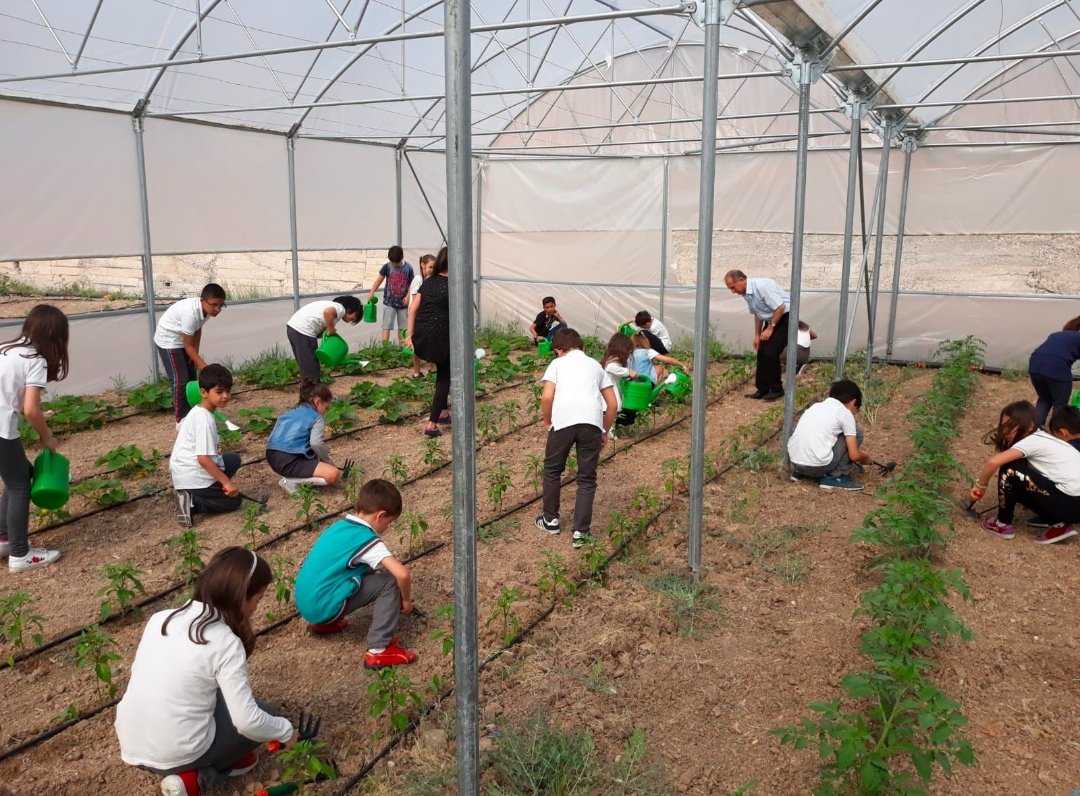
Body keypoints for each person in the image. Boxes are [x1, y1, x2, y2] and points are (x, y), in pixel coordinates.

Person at [115, 547, 296, 796]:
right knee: (265, 715)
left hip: (132, 743)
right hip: (175, 752)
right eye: (258, 598)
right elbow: (248, 721)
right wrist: (287, 732)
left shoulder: (161, 618)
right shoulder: (223, 641)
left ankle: (230, 758)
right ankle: (200, 776)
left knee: (214, 695)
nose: (256, 607)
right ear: (242, 595)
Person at [294, 478, 417, 670]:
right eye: (390, 522)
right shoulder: (366, 539)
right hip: (323, 607)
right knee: (389, 581)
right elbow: (403, 574)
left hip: (307, 604)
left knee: (366, 569)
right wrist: (407, 602)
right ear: (381, 515)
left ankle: (325, 624)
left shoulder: (339, 527)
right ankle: (379, 649)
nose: (388, 528)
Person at [534, 328, 617, 549]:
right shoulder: (595, 365)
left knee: (552, 470)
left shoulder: (558, 364)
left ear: (559, 350)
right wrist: (604, 431)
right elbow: (613, 404)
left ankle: (550, 520)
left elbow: (547, 396)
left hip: (563, 421)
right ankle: (581, 532)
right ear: (581, 346)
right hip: (591, 422)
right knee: (586, 478)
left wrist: (547, 421)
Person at [0, 304, 68, 570]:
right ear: (54, 334)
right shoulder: (35, 359)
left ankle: (4, 537)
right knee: (20, 486)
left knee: (18, 477)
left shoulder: (7, 348)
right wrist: (48, 438)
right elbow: (31, 409)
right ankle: (20, 554)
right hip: (1, 428)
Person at [974, 400, 1080, 544]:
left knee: (1009, 470)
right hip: (1073, 504)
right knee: (1021, 480)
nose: (1006, 431)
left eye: (1011, 426)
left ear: (1030, 426)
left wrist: (979, 487)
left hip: (1070, 503)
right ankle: (1059, 526)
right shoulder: (1045, 439)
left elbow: (994, 462)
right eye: (1003, 426)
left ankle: (1002, 525)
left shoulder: (1033, 440)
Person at [170, 365, 264, 526]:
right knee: (234, 502)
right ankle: (193, 501)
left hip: (185, 470)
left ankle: (202, 492)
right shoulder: (204, 420)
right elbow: (203, 459)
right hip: (192, 474)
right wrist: (226, 482)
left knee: (233, 459)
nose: (225, 396)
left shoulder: (199, 411)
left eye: (228, 391)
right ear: (204, 392)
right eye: (219, 392)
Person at [154, 284, 227, 426]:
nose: (217, 309)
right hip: (169, 340)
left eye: (221, 305)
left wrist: (196, 354)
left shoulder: (206, 311)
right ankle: (181, 419)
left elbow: (197, 329)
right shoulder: (190, 313)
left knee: (192, 377)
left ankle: (195, 412)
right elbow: (188, 345)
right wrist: (205, 368)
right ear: (203, 300)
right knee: (180, 380)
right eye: (214, 305)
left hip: (183, 338)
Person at [788, 379, 873, 491]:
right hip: (817, 467)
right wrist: (866, 458)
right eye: (855, 410)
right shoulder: (844, 413)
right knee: (857, 433)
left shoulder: (815, 407)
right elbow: (854, 455)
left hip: (796, 463)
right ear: (853, 402)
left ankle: (800, 473)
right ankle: (837, 476)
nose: (853, 413)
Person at [266, 379, 346, 495]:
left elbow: (272, 438)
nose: (325, 412)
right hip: (289, 459)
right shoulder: (316, 417)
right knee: (333, 474)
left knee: (315, 460)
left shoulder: (288, 413)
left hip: (271, 455)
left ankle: (293, 476)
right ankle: (291, 481)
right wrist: (328, 461)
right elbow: (316, 443)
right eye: (326, 407)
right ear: (318, 402)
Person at [405, 247, 451, 438]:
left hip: (423, 333)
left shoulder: (429, 281)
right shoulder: (452, 284)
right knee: (444, 376)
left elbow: (413, 309)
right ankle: (432, 424)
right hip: (440, 334)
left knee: (441, 370)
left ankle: (442, 412)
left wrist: (410, 335)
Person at [724, 269, 790, 401]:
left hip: (785, 319)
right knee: (762, 351)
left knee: (771, 352)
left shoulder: (762, 286)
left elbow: (780, 307)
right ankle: (762, 389)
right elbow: (758, 314)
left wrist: (770, 328)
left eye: (733, 287)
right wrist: (757, 335)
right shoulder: (746, 293)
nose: (733, 291)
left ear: (742, 280)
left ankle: (777, 389)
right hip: (772, 319)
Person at [285, 296, 362, 381]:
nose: (353, 319)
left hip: (293, 328)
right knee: (311, 368)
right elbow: (328, 312)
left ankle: (308, 390)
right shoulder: (341, 309)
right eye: (355, 316)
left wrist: (325, 332)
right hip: (304, 331)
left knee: (305, 365)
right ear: (350, 309)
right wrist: (331, 329)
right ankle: (312, 392)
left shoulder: (331, 305)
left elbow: (322, 321)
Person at [1028, 315, 1080, 427]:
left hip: (1035, 364)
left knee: (1044, 398)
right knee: (1060, 402)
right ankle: (1057, 433)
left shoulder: (1058, 335)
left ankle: (1034, 429)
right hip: (1056, 366)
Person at [368, 246, 415, 344]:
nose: (395, 264)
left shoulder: (408, 268)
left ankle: (403, 348)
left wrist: (408, 296)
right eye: (393, 262)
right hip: (389, 303)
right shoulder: (387, 267)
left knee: (403, 328)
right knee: (386, 326)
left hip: (403, 304)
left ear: (402, 257)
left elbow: (411, 284)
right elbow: (379, 280)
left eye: (396, 262)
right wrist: (372, 292)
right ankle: (385, 348)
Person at [600, 332, 638, 429]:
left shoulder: (610, 360)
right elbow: (610, 368)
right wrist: (628, 372)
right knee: (608, 418)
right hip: (609, 399)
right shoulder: (612, 363)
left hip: (610, 397)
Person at [409, 254, 436, 378]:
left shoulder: (430, 280)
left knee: (430, 342)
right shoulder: (418, 280)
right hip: (417, 317)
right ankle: (416, 371)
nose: (432, 270)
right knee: (417, 344)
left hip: (426, 317)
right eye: (430, 267)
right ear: (422, 265)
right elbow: (414, 303)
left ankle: (432, 368)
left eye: (434, 267)